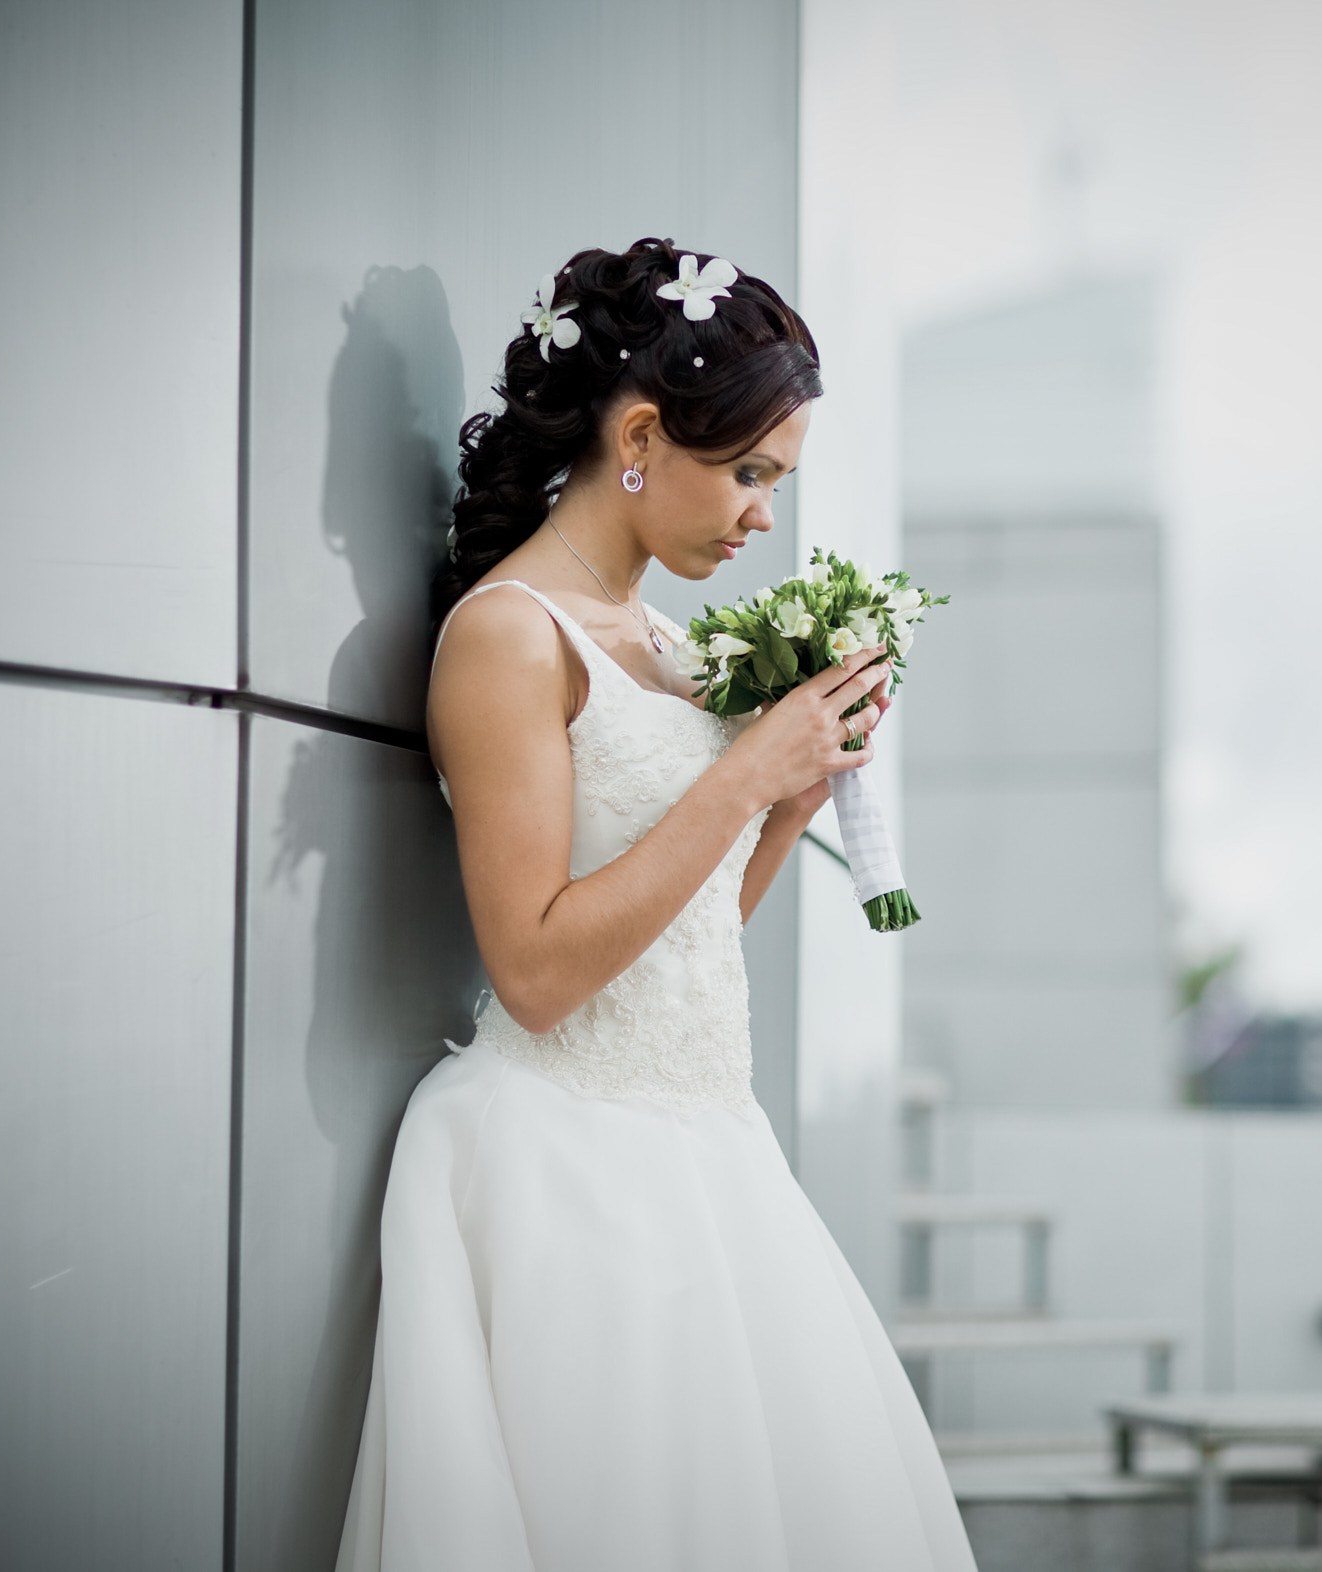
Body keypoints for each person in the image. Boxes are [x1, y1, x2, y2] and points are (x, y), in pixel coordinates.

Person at [334, 238, 978, 1572]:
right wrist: (747, 769)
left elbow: (682, 938)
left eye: (777, 483)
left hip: (713, 1154)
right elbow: (537, 972)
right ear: (638, 437)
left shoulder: (678, 651)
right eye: (749, 473)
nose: (763, 518)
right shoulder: (509, 635)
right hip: (566, 1166)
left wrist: (794, 793)